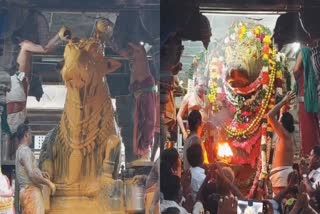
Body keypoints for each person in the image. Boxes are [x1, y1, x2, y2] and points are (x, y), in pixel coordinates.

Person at [6, 27, 69, 134]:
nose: (35, 39)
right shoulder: (25, 45)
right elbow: (45, 49)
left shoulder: (25, 47)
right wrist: (59, 37)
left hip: (19, 84)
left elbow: (45, 48)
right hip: (19, 83)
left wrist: (60, 38)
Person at [118, 42, 156, 161]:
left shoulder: (139, 50)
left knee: (147, 122)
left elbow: (126, 49)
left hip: (144, 92)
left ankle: (143, 149)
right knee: (140, 124)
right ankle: (141, 150)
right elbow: (122, 51)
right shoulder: (134, 53)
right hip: (138, 93)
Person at [15, 123, 56, 214]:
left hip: (27, 192)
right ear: (26, 134)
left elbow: (31, 171)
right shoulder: (25, 150)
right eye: (30, 133)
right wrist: (49, 183)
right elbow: (31, 174)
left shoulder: (20, 150)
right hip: (30, 192)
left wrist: (41, 173)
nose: (31, 136)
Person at [177, 76, 216, 163]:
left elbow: (210, 116)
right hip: (192, 131)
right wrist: (183, 132)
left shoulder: (208, 99)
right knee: (193, 156)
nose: (202, 88)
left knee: (205, 157)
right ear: (195, 85)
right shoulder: (188, 97)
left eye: (204, 86)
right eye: (200, 85)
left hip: (205, 132)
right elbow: (179, 116)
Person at [267, 91, 296, 195]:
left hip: (282, 178)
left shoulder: (285, 135)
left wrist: (283, 101)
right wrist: (286, 101)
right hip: (281, 177)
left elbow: (270, 116)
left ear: (282, 124)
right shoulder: (287, 134)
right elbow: (281, 115)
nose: (278, 123)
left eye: (280, 122)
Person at [293, 46, 320, 156]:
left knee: (307, 128)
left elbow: (295, 69)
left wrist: (298, 79)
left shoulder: (304, 50)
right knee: (315, 127)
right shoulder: (315, 52)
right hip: (315, 94)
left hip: (305, 95)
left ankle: (310, 156)